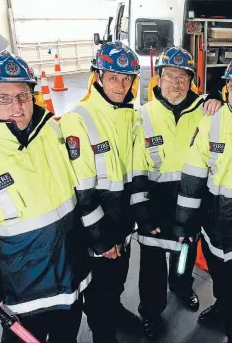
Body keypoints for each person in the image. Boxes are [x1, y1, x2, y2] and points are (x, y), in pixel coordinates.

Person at [0, 51, 98, 343]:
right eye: (3, 97)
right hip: (22, 294)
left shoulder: (52, 131)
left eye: (23, 95)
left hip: (69, 279)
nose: (16, 107)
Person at [175, 53, 232, 342]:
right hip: (215, 226)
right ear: (226, 88)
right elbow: (193, 174)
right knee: (222, 281)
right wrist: (184, 223)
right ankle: (223, 308)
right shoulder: (211, 121)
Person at [130, 46, 222, 339]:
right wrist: (142, 213)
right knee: (152, 263)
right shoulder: (143, 115)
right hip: (154, 205)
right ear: (159, 77)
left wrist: (218, 97)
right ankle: (152, 310)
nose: (176, 83)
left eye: (183, 77)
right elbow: (136, 167)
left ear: (191, 80)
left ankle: (181, 286)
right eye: (170, 75)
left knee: (185, 251)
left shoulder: (207, 112)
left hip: (191, 203)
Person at [59, 41, 142, 343]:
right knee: (97, 295)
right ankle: (103, 335)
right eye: (113, 77)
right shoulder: (78, 120)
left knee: (117, 282)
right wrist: (101, 240)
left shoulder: (132, 115)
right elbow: (82, 193)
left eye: (127, 78)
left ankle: (116, 312)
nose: (121, 85)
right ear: (98, 76)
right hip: (96, 233)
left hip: (122, 225)